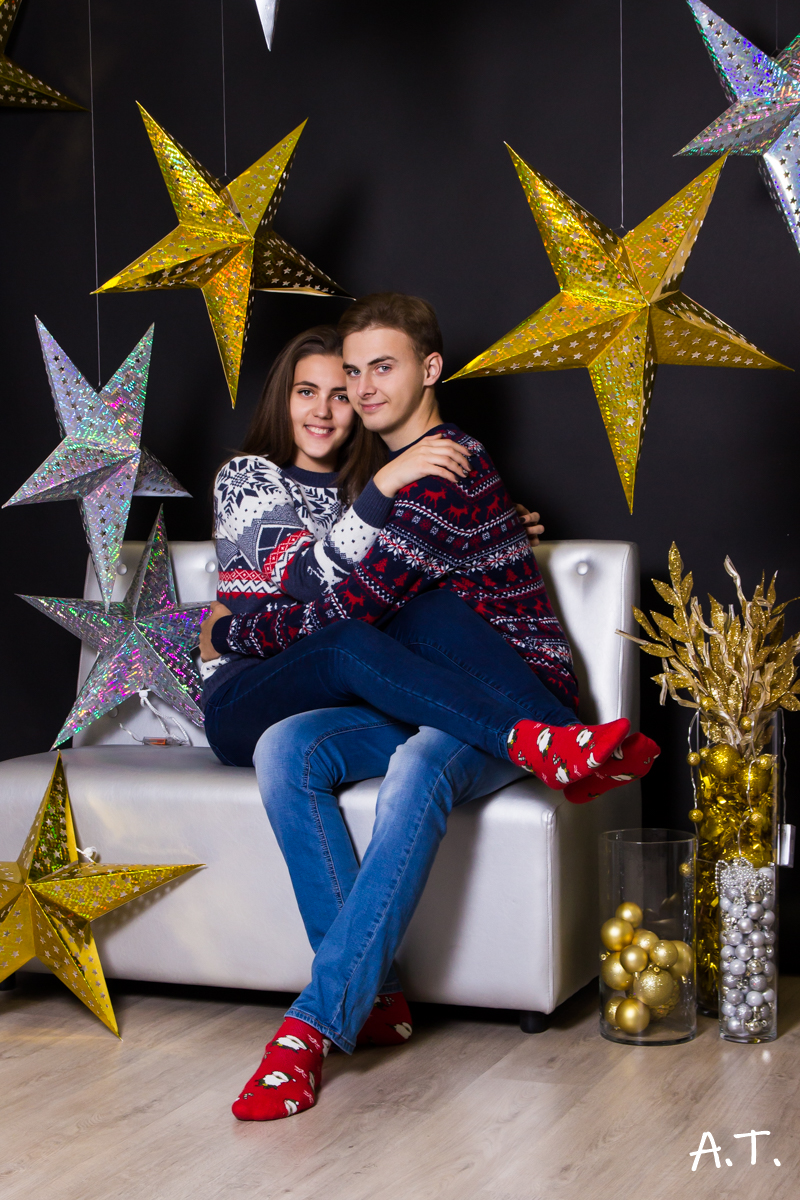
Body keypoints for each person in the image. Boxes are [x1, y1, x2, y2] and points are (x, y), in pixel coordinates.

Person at [199, 295, 659, 1121]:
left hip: (503, 687)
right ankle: (377, 998)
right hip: (425, 693)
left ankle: (311, 1029)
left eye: (381, 368)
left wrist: (234, 631)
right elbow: (339, 602)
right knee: (284, 749)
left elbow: (350, 612)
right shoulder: (384, 485)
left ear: (430, 369)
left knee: (415, 752)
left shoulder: (439, 469)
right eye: (353, 372)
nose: (362, 389)